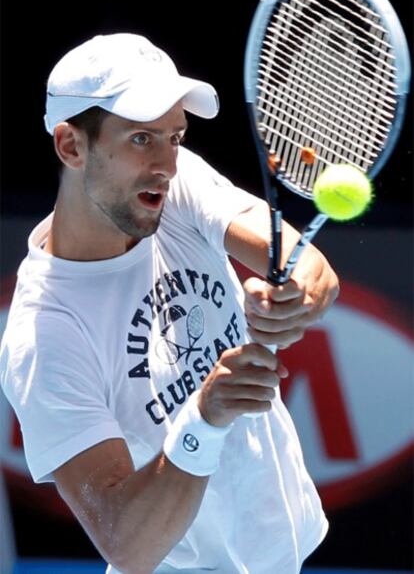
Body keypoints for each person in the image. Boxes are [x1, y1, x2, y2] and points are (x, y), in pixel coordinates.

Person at [0, 33, 339, 574]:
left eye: (174, 137)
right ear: (71, 146)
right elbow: (127, 545)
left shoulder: (175, 191)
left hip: (287, 556)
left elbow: (307, 265)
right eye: (140, 139)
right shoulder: (44, 336)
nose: (166, 163)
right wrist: (205, 418)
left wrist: (294, 296)